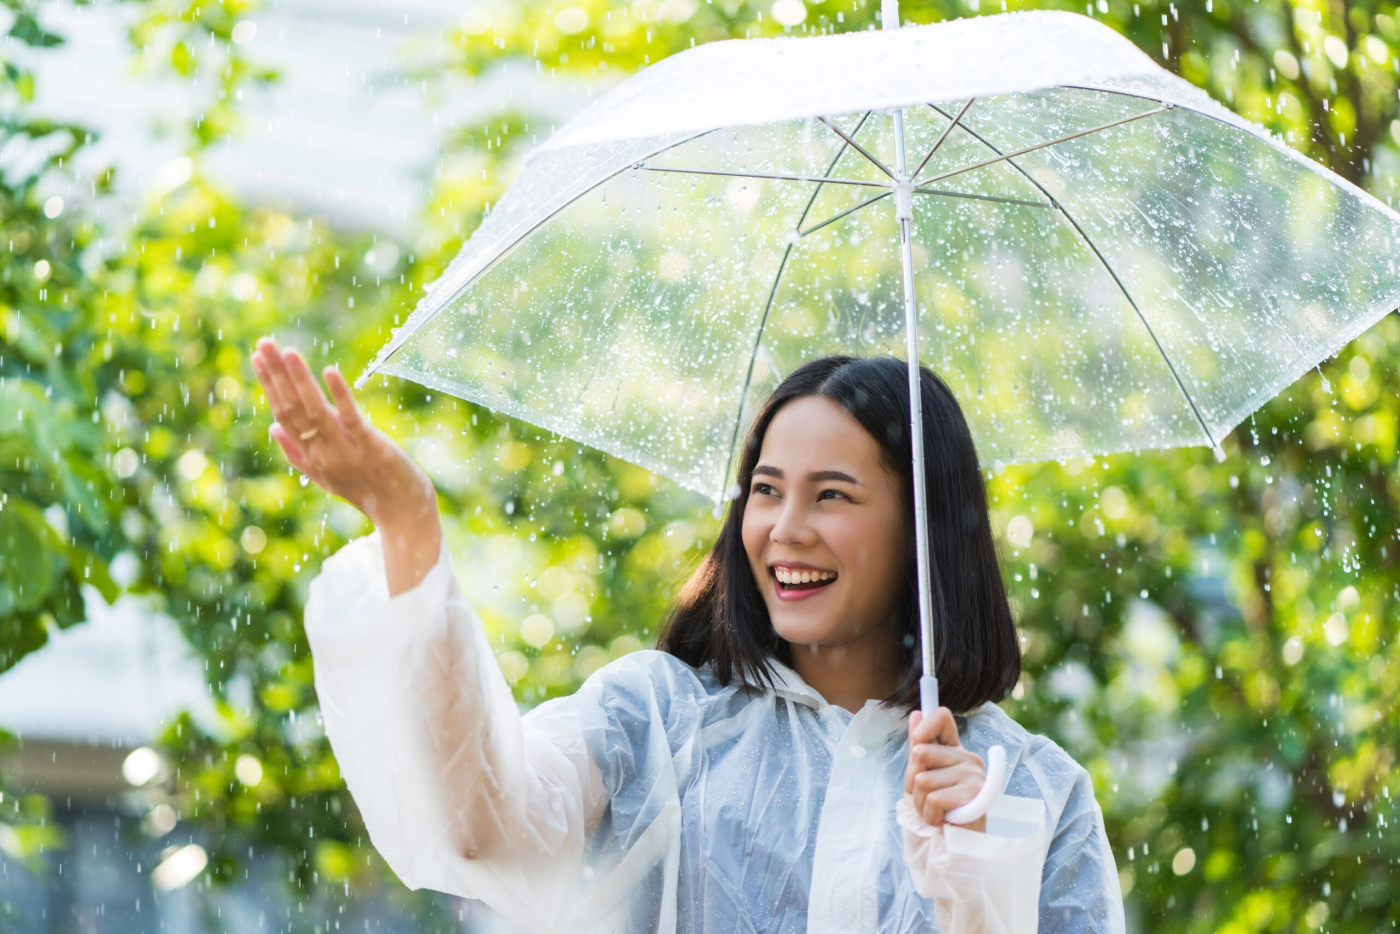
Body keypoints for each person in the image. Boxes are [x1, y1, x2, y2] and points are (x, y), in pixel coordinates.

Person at [250, 336, 1126, 934]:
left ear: (924, 528)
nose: (785, 529)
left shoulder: (1036, 795)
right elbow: (483, 820)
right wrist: (409, 527)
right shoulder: (656, 720)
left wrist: (980, 880)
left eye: (832, 495)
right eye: (767, 490)